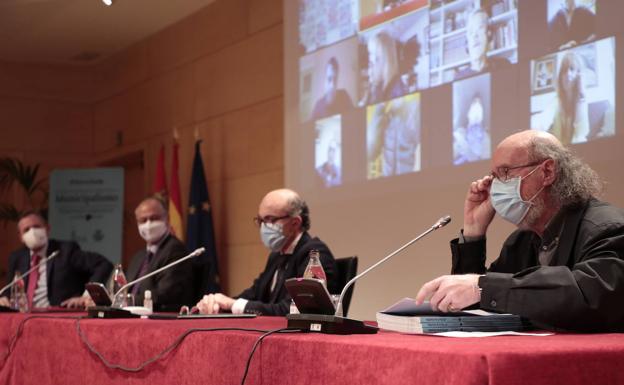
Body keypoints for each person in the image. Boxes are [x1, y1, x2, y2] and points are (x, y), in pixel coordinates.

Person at [415, 130, 624, 332]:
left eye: (505, 172)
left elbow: (590, 296)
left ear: (548, 172)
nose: (495, 186)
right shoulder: (521, 241)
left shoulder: (608, 228)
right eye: (493, 176)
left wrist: (482, 287)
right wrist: (473, 232)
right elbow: (478, 305)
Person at [196, 189, 337, 316]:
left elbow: (293, 308)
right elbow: (254, 293)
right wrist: (220, 303)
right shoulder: (277, 255)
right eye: (261, 220)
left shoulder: (315, 254)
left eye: (270, 220)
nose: (263, 227)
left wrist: (234, 305)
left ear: (295, 223)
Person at [0, 211, 113, 309]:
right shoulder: (17, 258)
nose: (32, 232)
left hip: (57, 313)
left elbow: (103, 264)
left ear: (47, 228)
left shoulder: (65, 250)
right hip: (23, 314)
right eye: (26, 230)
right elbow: (9, 290)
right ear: (21, 237)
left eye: (36, 226)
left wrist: (86, 296)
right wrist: (3, 298)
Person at [126, 196, 197, 311]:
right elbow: (124, 289)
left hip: (160, 316)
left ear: (167, 219)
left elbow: (165, 295)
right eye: (143, 220)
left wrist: (127, 301)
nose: (148, 224)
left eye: (154, 218)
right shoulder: (138, 257)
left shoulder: (175, 250)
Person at [455, 8, 510, 80]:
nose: (475, 35)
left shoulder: (504, 66)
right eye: (471, 32)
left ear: (489, 35)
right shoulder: (459, 78)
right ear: (467, 42)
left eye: (480, 28)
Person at [549, 51, 589, 145]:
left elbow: (581, 133)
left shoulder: (582, 100)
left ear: (578, 74)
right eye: (564, 70)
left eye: (572, 69)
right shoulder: (556, 100)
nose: (567, 74)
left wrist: (581, 93)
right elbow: (545, 117)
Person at [359, 32, 407, 106]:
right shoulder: (376, 85)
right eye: (369, 54)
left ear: (386, 60)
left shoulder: (396, 88)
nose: (370, 67)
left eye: (374, 60)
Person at [310, 57, 354, 121]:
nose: (332, 86)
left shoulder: (344, 96)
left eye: (335, 80)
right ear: (324, 81)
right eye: (329, 79)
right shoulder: (318, 106)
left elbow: (354, 116)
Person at [453, 94, 491, 165]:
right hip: (476, 130)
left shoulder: (465, 153)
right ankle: (476, 103)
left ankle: (476, 103)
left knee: (474, 119)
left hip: (473, 130)